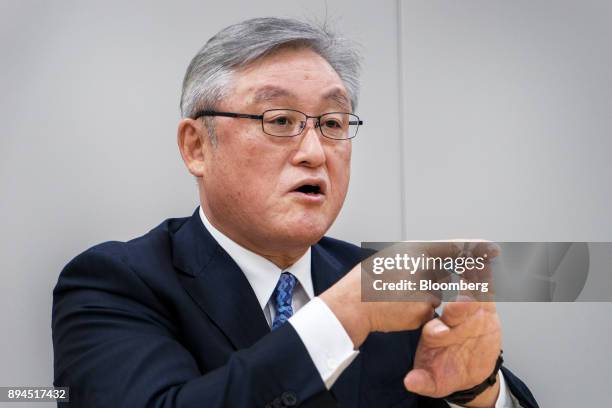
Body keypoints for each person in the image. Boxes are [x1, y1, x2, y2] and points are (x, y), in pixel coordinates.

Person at [52, 17, 538, 408]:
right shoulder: (116, 283)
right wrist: (345, 316)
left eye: (332, 123)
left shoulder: (378, 282)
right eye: (279, 120)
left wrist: (477, 393)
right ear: (196, 146)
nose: (314, 151)